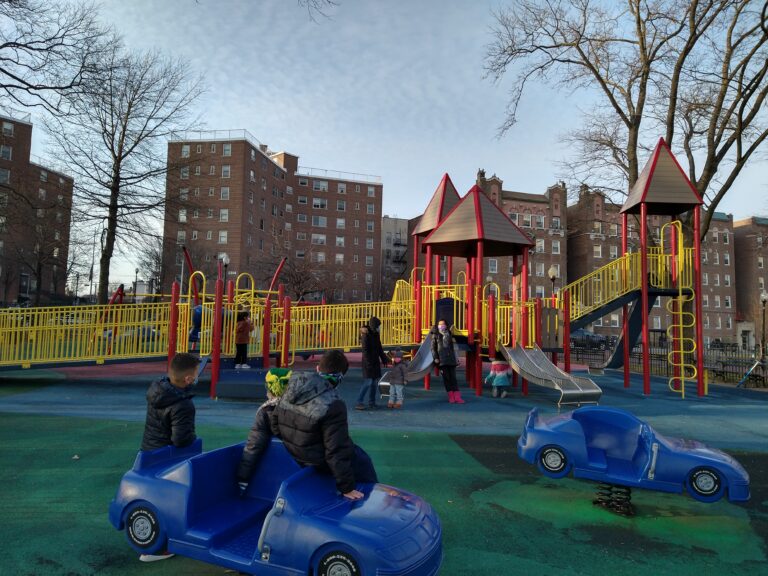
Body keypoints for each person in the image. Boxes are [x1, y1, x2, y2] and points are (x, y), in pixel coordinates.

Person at [271, 350, 378, 500]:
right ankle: (370, 499)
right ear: (341, 377)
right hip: (315, 458)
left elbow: (275, 422)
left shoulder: (292, 384)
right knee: (362, 459)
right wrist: (346, 487)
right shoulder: (333, 403)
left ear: (317, 368)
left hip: (293, 450)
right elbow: (335, 449)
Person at [138, 352, 200, 562]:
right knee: (171, 498)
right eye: (196, 374)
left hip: (150, 450)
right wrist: (192, 437)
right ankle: (156, 548)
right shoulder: (182, 405)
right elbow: (181, 440)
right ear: (188, 379)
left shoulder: (159, 389)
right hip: (168, 457)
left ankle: (148, 539)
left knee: (152, 495)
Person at [236, 368, 292, 496]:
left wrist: (243, 478)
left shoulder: (266, 411)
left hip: (276, 473)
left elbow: (254, 445)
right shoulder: (305, 407)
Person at [356, 316, 388, 410]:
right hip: (368, 363)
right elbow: (365, 351)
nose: (380, 328)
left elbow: (379, 348)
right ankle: (359, 401)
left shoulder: (375, 334)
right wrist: (369, 363)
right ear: (375, 326)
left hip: (375, 362)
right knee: (368, 382)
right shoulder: (366, 335)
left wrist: (384, 358)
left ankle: (372, 402)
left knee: (374, 383)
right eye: (378, 326)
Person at [430, 318, 465, 404]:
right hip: (442, 360)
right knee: (447, 379)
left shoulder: (449, 334)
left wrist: (456, 358)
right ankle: (451, 397)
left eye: (443, 324)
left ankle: (457, 397)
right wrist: (436, 358)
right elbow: (433, 348)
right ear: (437, 326)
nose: (441, 326)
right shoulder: (435, 335)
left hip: (451, 359)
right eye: (440, 324)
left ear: (446, 326)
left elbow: (453, 348)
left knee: (453, 378)